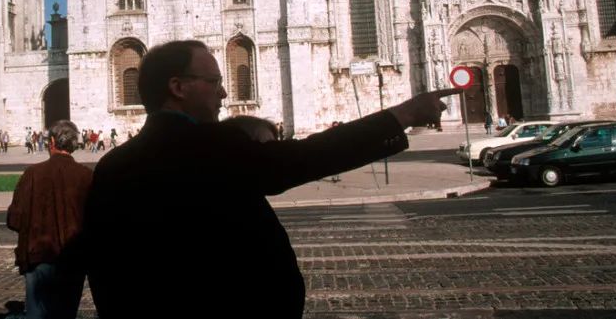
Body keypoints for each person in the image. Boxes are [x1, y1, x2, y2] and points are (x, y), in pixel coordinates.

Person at [83, 39, 458, 319]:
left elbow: (103, 267)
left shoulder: (114, 165)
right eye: (214, 82)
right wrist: (403, 114)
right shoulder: (212, 147)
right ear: (178, 87)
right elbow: (307, 157)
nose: (224, 92)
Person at [7, 120, 92, 319]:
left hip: (38, 257)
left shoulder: (32, 174)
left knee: (36, 313)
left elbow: (14, 220)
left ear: (52, 141)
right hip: (73, 260)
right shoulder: (86, 176)